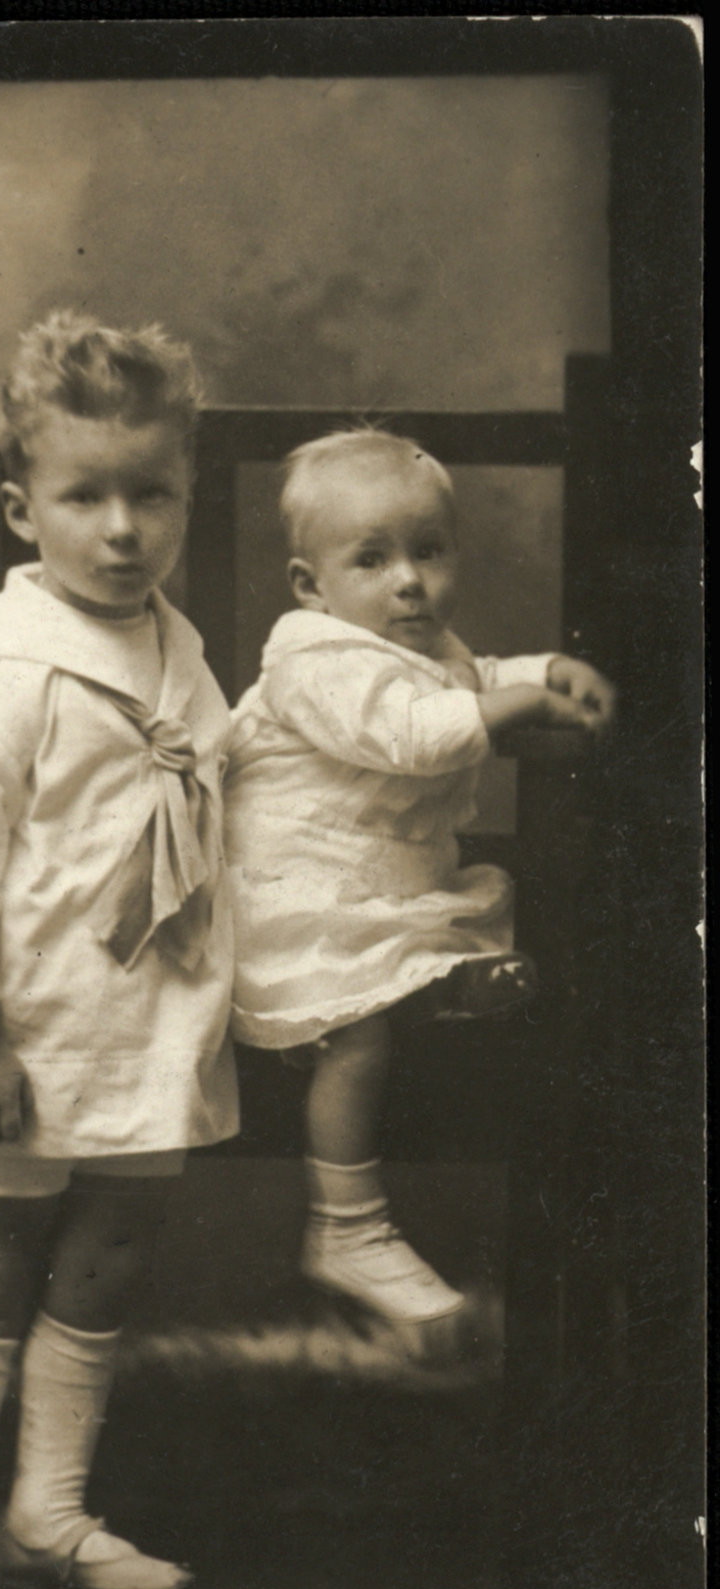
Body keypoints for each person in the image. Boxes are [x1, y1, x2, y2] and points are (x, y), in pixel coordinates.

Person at [0, 310, 238, 1589]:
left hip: (139, 1016)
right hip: (17, 1027)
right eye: (86, 496)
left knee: (110, 1256)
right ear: (24, 509)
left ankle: (49, 1509)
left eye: (152, 492)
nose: (123, 528)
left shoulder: (178, 652)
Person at [223, 429, 614, 1337]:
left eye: (428, 551)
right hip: (295, 902)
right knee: (355, 1032)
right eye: (373, 558)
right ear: (310, 586)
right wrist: (511, 705)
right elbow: (413, 732)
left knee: (470, 916)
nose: (409, 579)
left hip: (381, 895)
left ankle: (456, 981)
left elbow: (467, 678)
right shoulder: (310, 659)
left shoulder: (421, 645)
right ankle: (348, 1225)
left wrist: (543, 670)